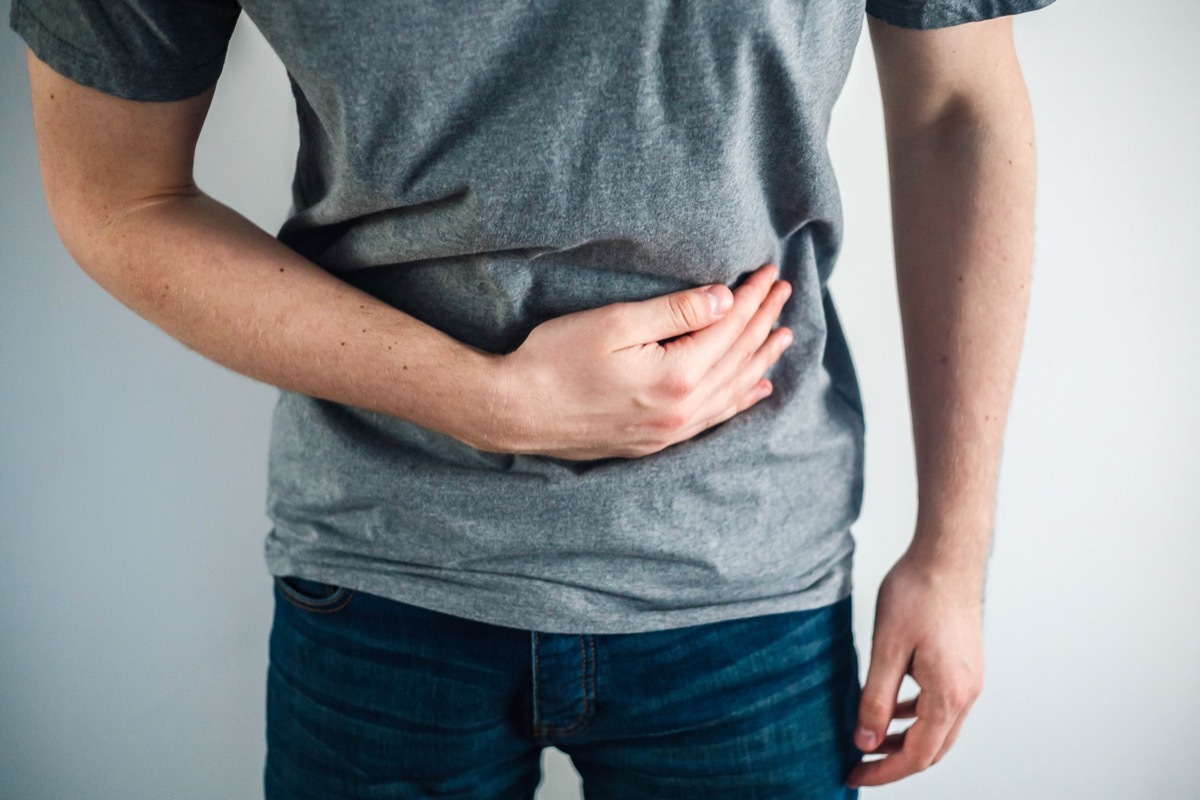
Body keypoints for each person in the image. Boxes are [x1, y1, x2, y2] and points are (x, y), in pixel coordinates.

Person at [10, 0, 1053, 796]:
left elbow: (959, 110)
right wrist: (488, 400)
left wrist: (953, 553)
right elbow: (119, 194)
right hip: (386, 578)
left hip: (746, 594)